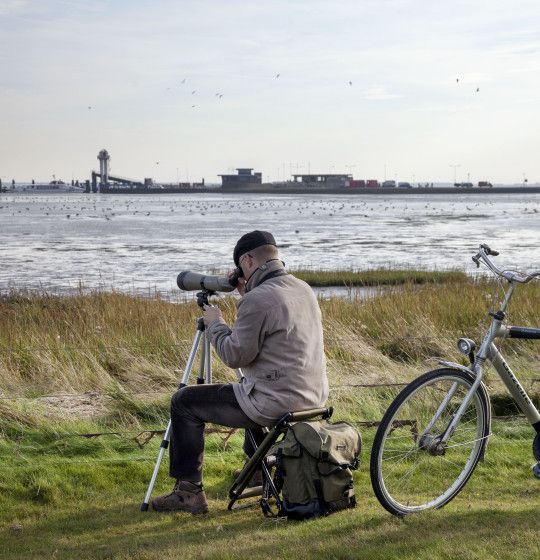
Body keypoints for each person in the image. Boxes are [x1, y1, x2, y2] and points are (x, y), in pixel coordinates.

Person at [151, 230, 328, 513]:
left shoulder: (257, 299)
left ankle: (188, 493)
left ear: (246, 261)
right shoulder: (302, 288)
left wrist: (216, 323)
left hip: (276, 403)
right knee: (248, 386)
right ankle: (257, 471)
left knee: (183, 401)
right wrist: (248, 294)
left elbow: (234, 355)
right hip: (312, 398)